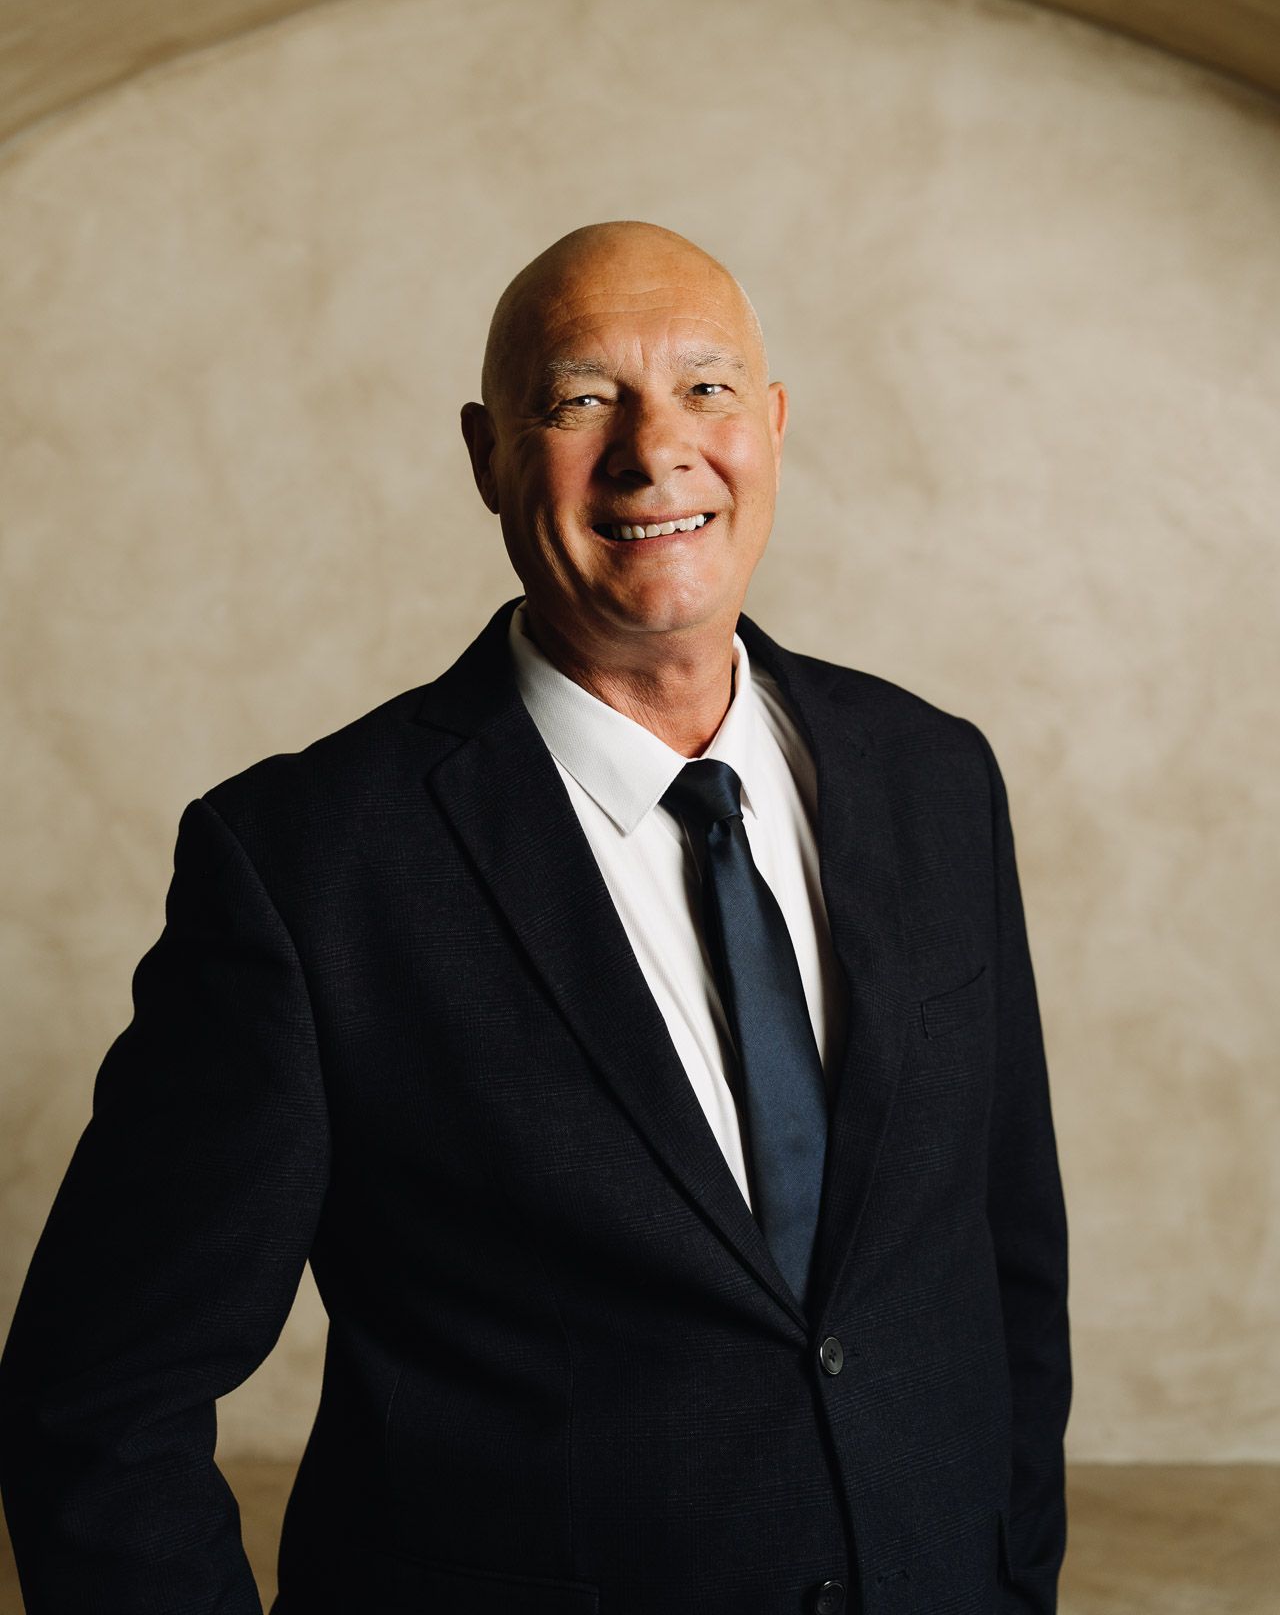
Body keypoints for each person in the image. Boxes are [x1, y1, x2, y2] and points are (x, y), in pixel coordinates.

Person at [0, 221, 1071, 1614]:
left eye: (705, 389)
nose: (654, 451)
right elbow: (99, 1404)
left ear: (775, 425)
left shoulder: (937, 778)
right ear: (487, 455)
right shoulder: (306, 869)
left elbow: (1005, 1269)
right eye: (579, 402)